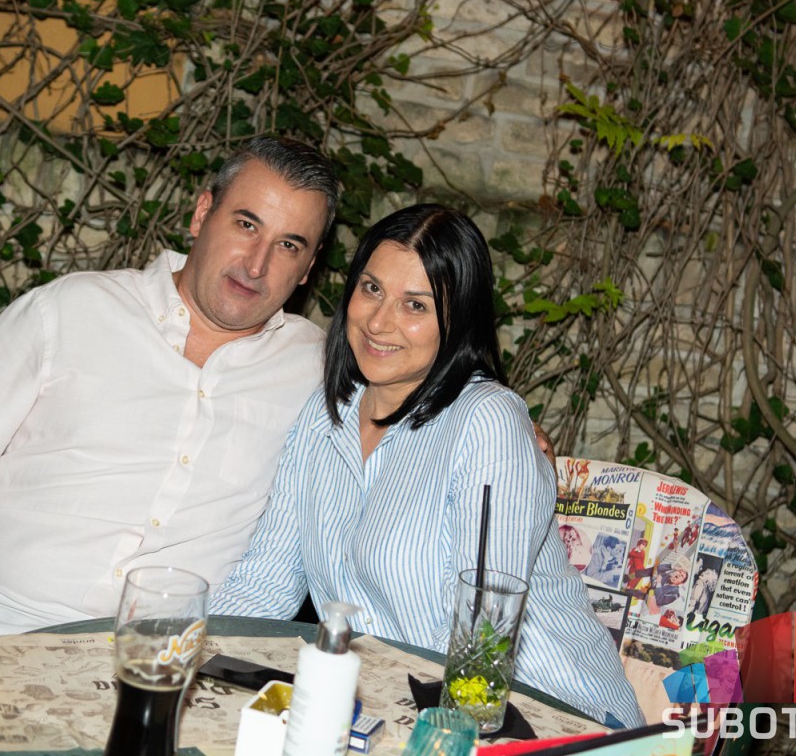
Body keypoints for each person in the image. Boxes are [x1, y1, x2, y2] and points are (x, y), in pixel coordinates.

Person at [0, 136, 340, 756]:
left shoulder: (317, 373)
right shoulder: (69, 312)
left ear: (309, 266)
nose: (257, 263)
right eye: (246, 224)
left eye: (289, 245)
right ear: (201, 213)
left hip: (169, 683)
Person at [210, 204, 645, 729]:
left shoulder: (486, 421)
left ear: (456, 320)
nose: (378, 322)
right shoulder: (324, 418)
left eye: (414, 305)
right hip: (395, 711)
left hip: (546, 719)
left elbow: (481, 638)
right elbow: (265, 582)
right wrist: (197, 658)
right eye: (371, 289)